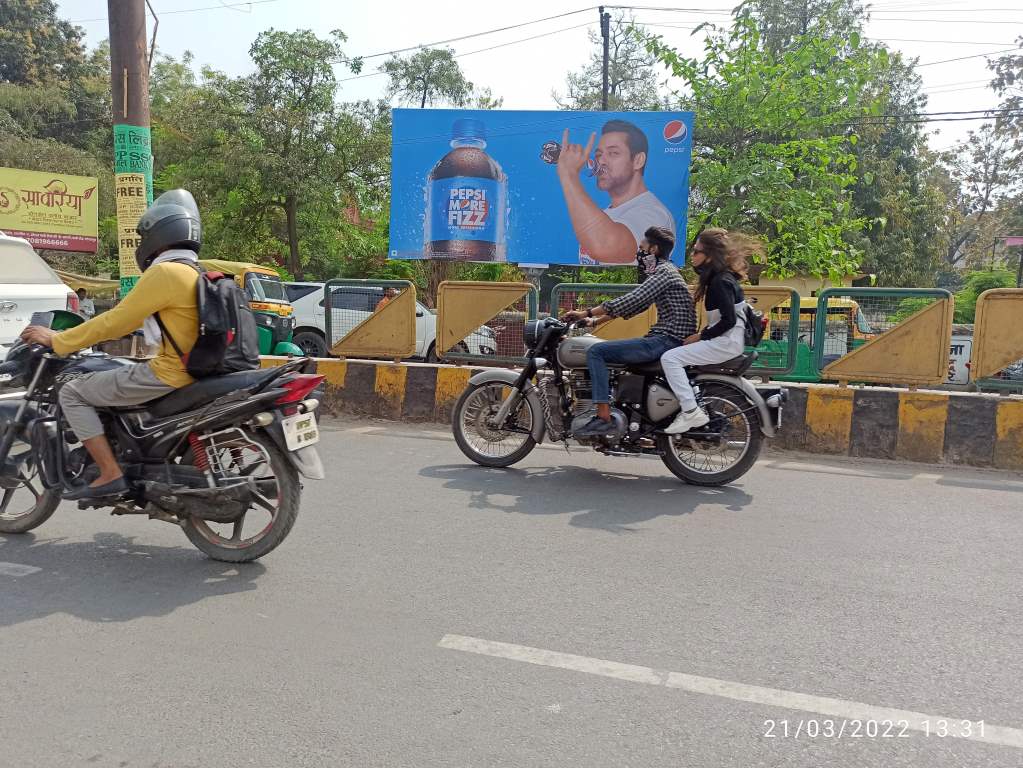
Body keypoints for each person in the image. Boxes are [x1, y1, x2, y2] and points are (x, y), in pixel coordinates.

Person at [19, 189, 203, 501]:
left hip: (172, 372)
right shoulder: (200, 272)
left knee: (73, 392)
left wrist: (60, 340)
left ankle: (110, 472)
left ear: (158, 235)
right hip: (202, 370)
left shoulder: (165, 272)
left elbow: (116, 321)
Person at [564, 226, 696, 437]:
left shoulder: (664, 273)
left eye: (642, 247)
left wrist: (584, 312)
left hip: (665, 340)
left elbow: (632, 300)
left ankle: (603, 417)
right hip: (666, 338)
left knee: (596, 352)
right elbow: (637, 306)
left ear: (653, 249)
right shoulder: (668, 272)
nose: (639, 253)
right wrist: (594, 321)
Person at [659, 228, 762, 435]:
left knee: (670, 359)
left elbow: (729, 321)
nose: (692, 255)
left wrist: (701, 336)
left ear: (709, 256)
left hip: (725, 343)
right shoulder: (722, 278)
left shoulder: (720, 282)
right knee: (681, 358)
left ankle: (690, 411)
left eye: (696, 252)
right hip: (726, 341)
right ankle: (691, 405)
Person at [556, 120, 676, 266]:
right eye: (598, 154)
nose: (601, 161)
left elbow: (605, 246)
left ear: (638, 160)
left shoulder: (654, 213)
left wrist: (569, 175)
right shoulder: (606, 215)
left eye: (613, 153)